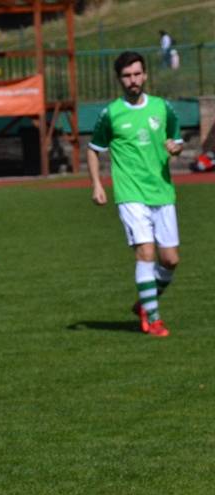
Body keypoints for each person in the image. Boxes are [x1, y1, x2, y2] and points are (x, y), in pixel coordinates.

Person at [87, 51, 183, 337]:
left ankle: (144, 302)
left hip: (162, 192)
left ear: (145, 75)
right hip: (130, 193)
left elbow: (177, 139)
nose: (133, 80)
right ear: (120, 79)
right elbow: (94, 149)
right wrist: (96, 184)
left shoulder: (163, 107)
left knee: (170, 260)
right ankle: (152, 319)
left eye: (137, 74)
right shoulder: (111, 113)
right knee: (146, 252)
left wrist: (176, 148)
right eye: (127, 76)